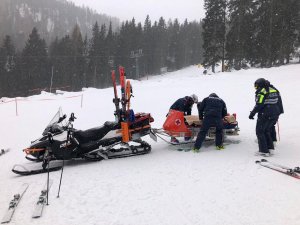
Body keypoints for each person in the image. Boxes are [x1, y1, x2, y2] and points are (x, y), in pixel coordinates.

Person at [249, 78, 283, 157]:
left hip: (265, 114)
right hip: (275, 113)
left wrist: (252, 113)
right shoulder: (273, 89)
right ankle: (270, 148)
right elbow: (279, 101)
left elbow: (259, 104)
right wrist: (280, 111)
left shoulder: (262, 92)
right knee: (266, 130)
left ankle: (264, 151)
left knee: (260, 131)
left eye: (256, 86)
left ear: (260, 84)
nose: (256, 88)